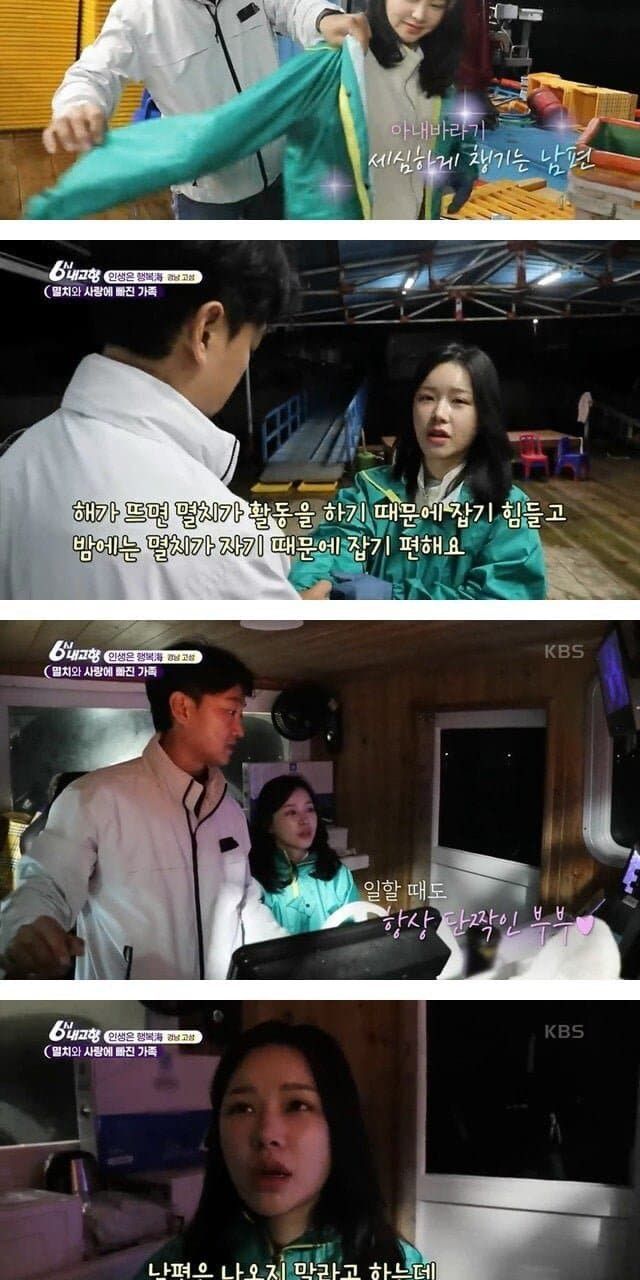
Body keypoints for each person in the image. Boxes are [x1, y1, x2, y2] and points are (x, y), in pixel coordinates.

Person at [0, 242, 302, 601]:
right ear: (206, 331)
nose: (244, 365)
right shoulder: (225, 541)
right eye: (249, 348)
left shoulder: (14, 464)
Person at [27, 0, 475, 221]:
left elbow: (292, 7)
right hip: (209, 193)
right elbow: (94, 72)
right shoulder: (139, 13)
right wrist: (78, 106)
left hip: (278, 174)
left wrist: (324, 19)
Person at [0, 643, 288, 981]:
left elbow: (243, 904)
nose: (240, 729)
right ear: (182, 707)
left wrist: (288, 960)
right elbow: (47, 884)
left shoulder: (229, 810)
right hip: (127, 1007)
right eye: (230, 711)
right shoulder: (94, 797)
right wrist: (28, 926)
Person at [134, 1020, 427, 1279]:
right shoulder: (172, 1267)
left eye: (297, 1105)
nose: (266, 1134)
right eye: (242, 1108)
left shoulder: (398, 1268)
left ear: (338, 1127)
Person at [289, 342, 547, 599]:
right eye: (427, 398)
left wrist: (392, 599)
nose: (439, 414)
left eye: (458, 401)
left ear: (483, 415)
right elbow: (333, 545)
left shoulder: (507, 512)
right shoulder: (369, 491)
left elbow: (501, 603)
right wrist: (316, 584)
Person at [249, 776, 359, 931]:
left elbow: (354, 935)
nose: (305, 820)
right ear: (269, 824)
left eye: (310, 809)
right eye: (292, 812)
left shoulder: (337, 873)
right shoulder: (255, 881)